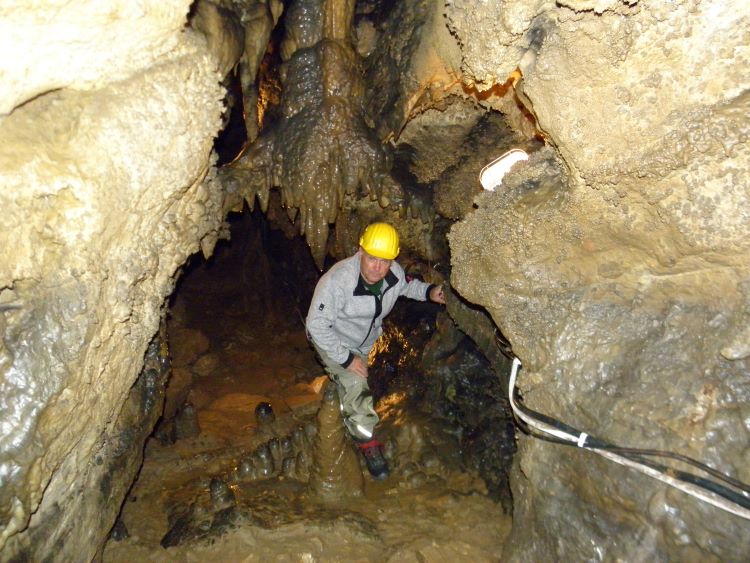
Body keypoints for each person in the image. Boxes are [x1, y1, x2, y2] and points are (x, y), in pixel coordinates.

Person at [306, 222, 446, 480]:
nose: (378, 268)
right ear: (361, 251)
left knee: (357, 380)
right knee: (357, 383)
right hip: (333, 338)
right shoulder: (337, 281)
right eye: (372, 259)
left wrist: (430, 292)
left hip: (366, 339)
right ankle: (366, 442)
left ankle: (342, 390)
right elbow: (315, 325)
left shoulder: (392, 273)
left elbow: (406, 286)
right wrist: (347, 360)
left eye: (385, 261)